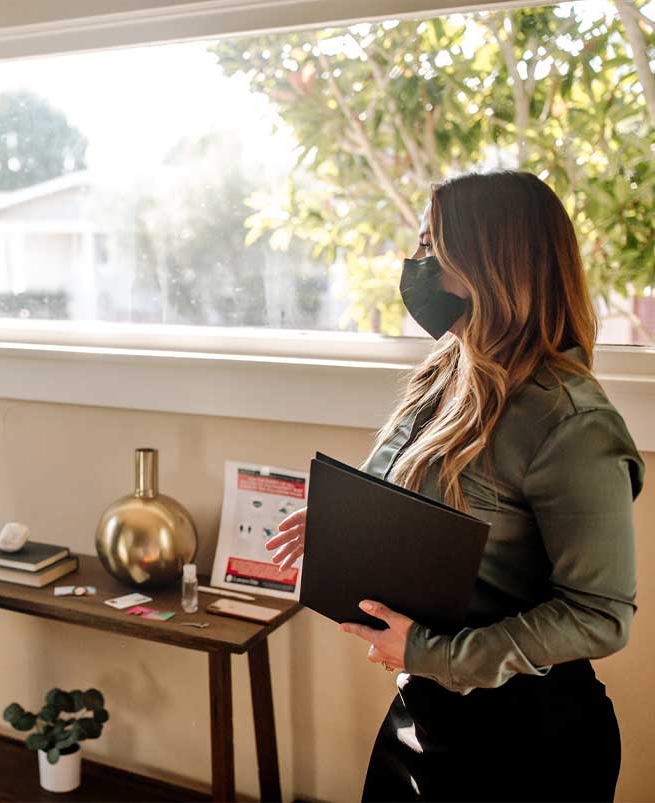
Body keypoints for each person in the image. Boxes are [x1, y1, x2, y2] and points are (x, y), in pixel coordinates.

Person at [266, 170, 643, 802]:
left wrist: (434, 654)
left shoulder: (572, 422)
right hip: (424, 712)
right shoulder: (445, 374)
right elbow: (426, 509)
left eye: (431, 249)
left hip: (528, 741)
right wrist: (348, 529)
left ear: (493, 266)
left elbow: (600, 615)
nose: (414, 265)